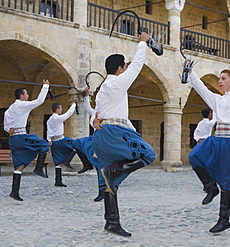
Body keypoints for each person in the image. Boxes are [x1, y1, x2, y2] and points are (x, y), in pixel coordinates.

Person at [92, 32, 156, 237]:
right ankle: (115, 170)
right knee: (148, 154)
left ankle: (112, 222)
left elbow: (97, 114)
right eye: (124, 67)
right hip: (113, 133)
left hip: (101, 135)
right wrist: (142, 43)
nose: (127, 70)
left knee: (108, 184)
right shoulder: (117, 82)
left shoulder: (103, 88)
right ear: (120, 69)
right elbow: (137, 65)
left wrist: (94, 121)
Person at [188, 67, 230, 233]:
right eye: (219, 79)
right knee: (194, 155)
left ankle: (224, 220)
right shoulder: (217, 100)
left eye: (223, 78)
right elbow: (201, 88)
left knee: (226, 177)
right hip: (217, 137)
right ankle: (210, 187)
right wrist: (190, 72)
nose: (220, 81)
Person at [4, 80, 50, 201]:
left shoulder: (10, 108)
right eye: (26, 94)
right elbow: (39, 101)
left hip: (13, 139)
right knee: (43, 144)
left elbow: (6, 125)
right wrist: (45, 86)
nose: (28, 96)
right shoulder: (21, 105)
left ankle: (14, 192)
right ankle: (39, 168)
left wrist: (7, 129)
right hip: (20, 137)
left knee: (19, 166)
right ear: (21, 96)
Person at [47, 102, 93, 187]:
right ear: (57, 110)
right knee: (77, 144)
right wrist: (74, 105)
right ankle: (85, 164)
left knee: (58, 163)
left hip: (54, 142)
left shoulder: (49, 120)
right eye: (60, 108)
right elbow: (68, 114)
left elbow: (48, 131)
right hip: (61, 140)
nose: (61, 109)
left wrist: (49, 139)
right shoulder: (57, 118)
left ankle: (58, 181)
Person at [192, 108, 217, 204]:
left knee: (203, 163)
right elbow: (215, 120)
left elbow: (196, 133)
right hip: (207, 143)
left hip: (201, 143)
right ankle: (211, 184)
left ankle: (207, 185)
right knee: (208, 164)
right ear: (209, 114)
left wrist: (198, 140)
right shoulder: (207, 123)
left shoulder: (200, 123)